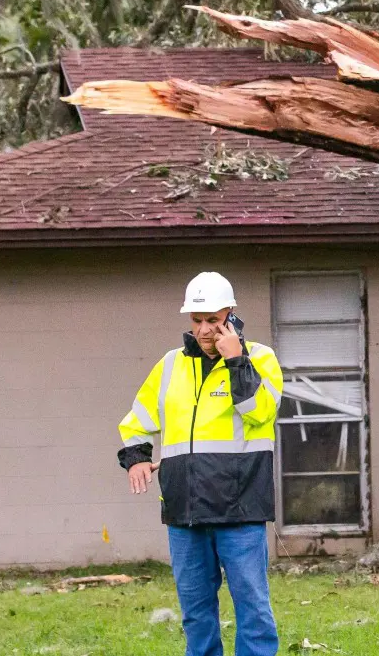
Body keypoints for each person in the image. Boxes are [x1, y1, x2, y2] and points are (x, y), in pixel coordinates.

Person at [118, 271, 283, 656]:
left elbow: (260, 412)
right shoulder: (171, 365)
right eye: (197, 321)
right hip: (184, 511)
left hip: (240, 509)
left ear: (232, 315)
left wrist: (236, 361)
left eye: (214, 320)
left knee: (253, 610)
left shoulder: (260, 359)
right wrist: (137, 458)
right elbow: (138, 419)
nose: (205, 330)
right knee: (196, 614)